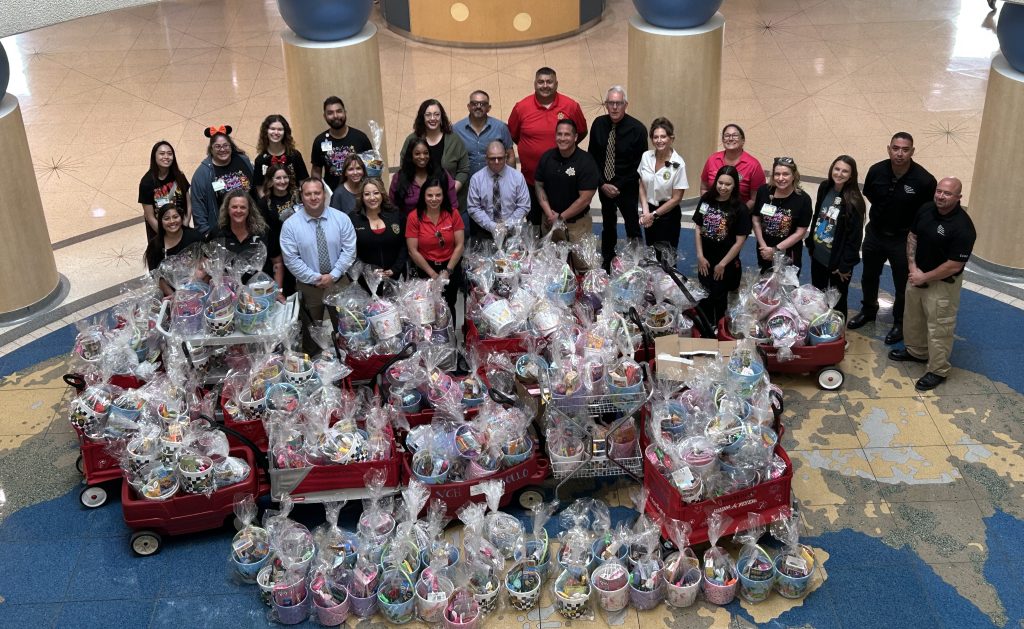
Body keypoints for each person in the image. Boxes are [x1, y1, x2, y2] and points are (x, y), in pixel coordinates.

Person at [888, 177, 976, 391]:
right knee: (913, 318)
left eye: (947, 193)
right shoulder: (926, 209)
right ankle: (917, 352)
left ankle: (938, 370)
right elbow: (913, 236)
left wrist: (924, 277)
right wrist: (912, 267)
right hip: (916, 274)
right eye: (939, 191)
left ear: (958, 197)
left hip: (942, 285)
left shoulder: (963, 227)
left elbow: (954, 265)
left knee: (939, 328)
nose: (941, 196)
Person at [849, 132, 937, 345]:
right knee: (869, 276)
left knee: (902, 284)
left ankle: (900, 321)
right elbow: (870, 194)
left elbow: (928, 213)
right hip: (875, 234)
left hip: (903, 239)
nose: (900, 154)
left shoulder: (924, 180)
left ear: (912, 151)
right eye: (896, 148)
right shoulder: (876, 171)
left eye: (905, 150)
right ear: (889, 149)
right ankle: (868, 310)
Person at [280, 178, 358, 352]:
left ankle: (348, 362)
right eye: (308, 194)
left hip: (339, 283)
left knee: (347, 330)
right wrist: (315, 278)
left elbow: (349, 251)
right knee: (311, 335)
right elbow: (291, 259)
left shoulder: (341, 219)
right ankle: (313, 364)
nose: (313, 197)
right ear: (301, 196)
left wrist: (333, 275)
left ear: (324, 195)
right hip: (309, 288)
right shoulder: (290, 225)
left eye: (317, 193)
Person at [508, 67, 588, 226]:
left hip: (563, 181)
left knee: (563, 225)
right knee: (534, 225)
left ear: (556, 84)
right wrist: (530, 148)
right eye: (541, 82)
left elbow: (581, 132)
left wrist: (565, 148)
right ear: (534, 84)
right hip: (531, 181)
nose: (545, 86)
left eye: (549, 82)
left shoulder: (571, 106)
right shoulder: (521, 107)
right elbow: (514, 135)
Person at [588, 86, 648, 270]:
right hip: (604, 184)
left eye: (618, 103)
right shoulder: (598, 124)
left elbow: (640, 164)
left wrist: (618, 185)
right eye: (611, 103)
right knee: (608, 224)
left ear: (625, 105)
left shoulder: (638, 129)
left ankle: (637, 262)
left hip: (627, 185)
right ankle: (607, 260)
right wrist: (602, 184)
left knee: (632, 225)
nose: (614, 107)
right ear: (606, 104)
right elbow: (592, 157)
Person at [805, 155, 866, 322]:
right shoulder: (825, 187)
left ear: (851, 175)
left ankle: (838, 333)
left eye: (845, 171)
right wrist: (811, 243)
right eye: (837, 169)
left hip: (838, 263)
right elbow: (818, 215)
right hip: (818, 255)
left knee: (837, 301)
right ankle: (818, 327)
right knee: (818, 294)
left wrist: (845, 266)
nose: (839, 174)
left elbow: (855, 238)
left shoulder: (854, 201)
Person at [534, 119, 600, 269]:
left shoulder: (586, 161)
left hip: (577, 225)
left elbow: (585, 199)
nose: (562, 138)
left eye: (567, 134)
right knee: (552, 266)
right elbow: (538, 185)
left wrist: (561, 217)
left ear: (575, 137)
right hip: (550, 222)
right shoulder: (547, 157)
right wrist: (549, 213)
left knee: (583, 266)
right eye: (559, 134)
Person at [693, 165, 751, 324]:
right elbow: (698, 227)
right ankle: (705, 325)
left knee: (719, 296)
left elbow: (740, 241)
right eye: (720, 183)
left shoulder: (740, 208)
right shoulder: (706, 200)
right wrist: (700, 256)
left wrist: (722, 264)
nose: (723, 187)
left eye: (728, 184)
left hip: (725, 262)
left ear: (735, 186)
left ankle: (719, 326)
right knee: (704, 294)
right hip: (705, 259)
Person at [400, 99, 470, 229]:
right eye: (428, 115)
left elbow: (464, 169)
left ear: (442, 117)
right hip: (418, 209)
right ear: (422, 117)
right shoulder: (412, 139)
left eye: (437, 114)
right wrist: (424, 195)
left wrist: (449, 191)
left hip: (452, 204)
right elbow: (405, 167)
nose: (433, 118)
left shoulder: (454, 139)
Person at [406, 177, 465, 324]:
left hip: (450, 266)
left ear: (444, 196)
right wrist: (432, 274)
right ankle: (430, 337)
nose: (434, 199)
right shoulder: (414, 217)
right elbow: (413, 250)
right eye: (430, 195)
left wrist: (448, 271)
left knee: (449, 304)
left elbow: (460, 245)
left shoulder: (453, 213)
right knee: (427, 307)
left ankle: (450, 336)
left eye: (438, 195)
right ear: (423, 196)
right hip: (425, 268)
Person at [206, 189, 284, 296]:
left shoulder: (263, 232)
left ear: (249, 210)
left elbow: (277, 263)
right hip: (229, 295)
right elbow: (205, 264)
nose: (238, 210)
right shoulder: (217, 233)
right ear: (227, 209)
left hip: (262, 294)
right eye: (234, 207)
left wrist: (278, 292)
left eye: (243, 207)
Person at [638, 117, 689, 258]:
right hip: (649, 210)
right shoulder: (646, 156)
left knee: (667, 257)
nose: (659, 140)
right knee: (651, 253)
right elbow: (642, 184)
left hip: (668, 214)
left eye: (663, 136)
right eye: (655, 137)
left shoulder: (678, 164)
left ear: (671, 138)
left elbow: (676, 198)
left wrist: (653, 215)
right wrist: (646, 210)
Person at [751, 157, 812, 272]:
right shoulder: (764, 191)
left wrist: (775, 250)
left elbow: (800, 232)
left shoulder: (803, 199)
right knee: (765, 278)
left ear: (793, 176)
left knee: (786, 281)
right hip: (764, 249)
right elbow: (756, 219)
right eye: (777, 174)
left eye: (785, 174)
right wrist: (763, 246)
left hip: (789, 252)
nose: (780, 178)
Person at [190, 125, 254, 235]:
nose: (222, 149)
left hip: (250, 223)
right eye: (217, 146)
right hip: (222, 230)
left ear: (231, 146)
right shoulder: (202, 174)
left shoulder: (243, 160)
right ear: (211, 149)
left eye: (225, 145)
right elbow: (198, 207)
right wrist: (206, 233)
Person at [466, 140, 531, 239]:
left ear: (506, 157)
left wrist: (507, 226)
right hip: (485, 231)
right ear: (486, 159)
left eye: (500, 158)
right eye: (492, 158)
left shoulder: (517, 177)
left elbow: (524, 206)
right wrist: (493, 227)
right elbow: (473, 208)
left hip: (513, 231)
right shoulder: (476, 179)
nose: (496, 162)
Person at [310, 96, 372, 193]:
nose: (335, 116)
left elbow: (371, 166)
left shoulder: (360, 138)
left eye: (339, 111)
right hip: (332, 196)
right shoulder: (320, 141)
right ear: (324, 116)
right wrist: (317, 191)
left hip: (359, 194)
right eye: (330, 113)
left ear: (345, 112)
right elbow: (316, 171)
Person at [350, 178, 407, 284]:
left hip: (395, 277)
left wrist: (395, 269)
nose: (372, 198)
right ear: (362, 197)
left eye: (376, 193)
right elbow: (350, 251)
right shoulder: (353, 219)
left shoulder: (395, 214)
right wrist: (367, 271)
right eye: (367, 194)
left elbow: (404, 245)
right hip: (366, 280)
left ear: (382, 194)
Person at [258, 164, 303, 296]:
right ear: (270, 181)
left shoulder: (297, 196)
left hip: (300, 243)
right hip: (278, 248)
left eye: (285, 177)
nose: (282, 181)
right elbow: (264, 230)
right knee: (287, 283)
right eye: (278, 178)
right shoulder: (264, 202)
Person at [699, 124, 767, 209]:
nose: (730, 138)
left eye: (735, 135)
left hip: (740, 213)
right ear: (723, 140)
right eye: (727, 135)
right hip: (713, 212)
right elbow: (704, 188)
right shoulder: (712, 159)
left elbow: (755, 198)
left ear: (743, 140)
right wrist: (709, 209)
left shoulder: (753, 165)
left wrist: (740, 213)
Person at [143, 203, 203, 296]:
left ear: (181, 218)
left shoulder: (194, 237)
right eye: (167, 218)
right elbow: (158, 277)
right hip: (171, 295)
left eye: (175, 217)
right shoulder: (155, 246)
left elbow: (206, 264)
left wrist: (196, 289)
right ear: (160, 222)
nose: (172, 221)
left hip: (198, 289)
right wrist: (175, 297)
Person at [389, 137, 458, 216]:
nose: (422, 157)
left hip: (439, 222)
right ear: (410, 155)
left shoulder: (442, 174)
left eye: (425, 153)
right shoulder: (399, 178)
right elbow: (393, 206)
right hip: (407, 222)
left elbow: (453, 205)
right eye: (417, 154)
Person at [453, 90, 515, 176]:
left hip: (495, 180)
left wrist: (511, 178)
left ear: (489, 108)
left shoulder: (500, 127)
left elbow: (510, 155)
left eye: (483, 104)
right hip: (466, 181)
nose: (478, 106)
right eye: (474, 103)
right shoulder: (456, 129)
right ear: (469, 107)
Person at [139, 140, 191, 241]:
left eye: (170, 154)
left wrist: (185, 225)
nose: (166, 157)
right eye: (162, 154)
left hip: (182, 230)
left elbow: (188, 204)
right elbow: (149, 216)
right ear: (154, 157)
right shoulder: (147, 182)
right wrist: (167, 236)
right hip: (160, 235)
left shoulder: (179, 176)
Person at [251, 114, 309, 194]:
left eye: (280, 129)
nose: (276, 132)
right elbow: (260, 189)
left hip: (295, 199)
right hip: (270, 201)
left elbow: (303, 182)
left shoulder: (295, 155)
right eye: (272, 129)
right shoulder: (260, 160)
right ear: (266, 131)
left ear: (285, 132)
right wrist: (266, 201)